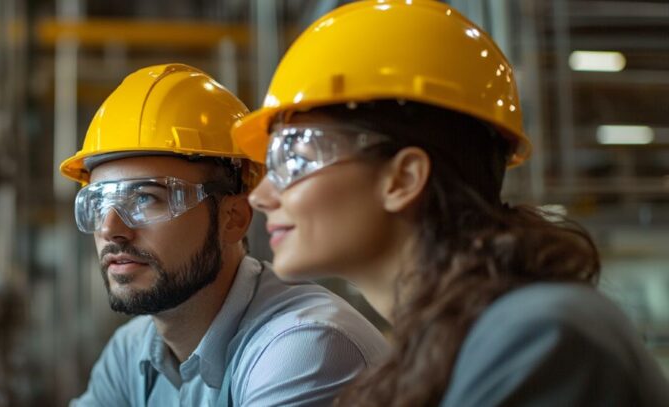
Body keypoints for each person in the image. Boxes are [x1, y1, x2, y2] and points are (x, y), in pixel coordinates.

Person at [232, 1, 669, 406]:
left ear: (403, 179)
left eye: (296, 159)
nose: (262, 195)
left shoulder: (538, 341)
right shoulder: (448, 347)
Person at [60, 63, 389, 406]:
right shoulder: (132, 353)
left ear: (233, 219)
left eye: (145, 198)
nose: (111, 229)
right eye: (98, 203)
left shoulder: (304, 346)